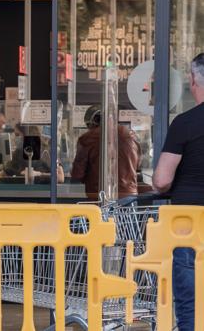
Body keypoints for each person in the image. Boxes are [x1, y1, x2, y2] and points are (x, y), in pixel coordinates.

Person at [153, 53, 204, 331]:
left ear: (193, 80)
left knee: (191, 306)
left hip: (188, 225)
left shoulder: (185, 123)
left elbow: (161, 180)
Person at [71, 105, 141, 200]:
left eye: (88, 125)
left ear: (93, 122)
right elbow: (138, 164)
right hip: (128, 194)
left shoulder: (86, 138)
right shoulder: (130, 134)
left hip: (99, 195)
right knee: (127, 215)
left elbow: (77, 174)